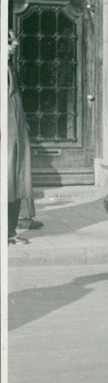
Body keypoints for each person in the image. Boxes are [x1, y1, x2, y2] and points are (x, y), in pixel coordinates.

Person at [7, 31, 34, 244]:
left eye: (15, 40)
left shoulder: (10, 68)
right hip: (7, 135)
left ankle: (10, 230)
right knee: (8, 180)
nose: (15, 44)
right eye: (9, 41)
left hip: (15, 132)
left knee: (16, 180)